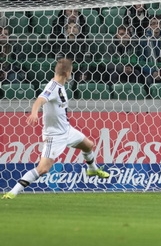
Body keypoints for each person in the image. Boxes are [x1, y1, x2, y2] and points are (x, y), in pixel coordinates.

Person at [2, 58, 109, 200]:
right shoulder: (52, 88)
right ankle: (12, 192)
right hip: (54, 136)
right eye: (71, 71)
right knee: (43, 169)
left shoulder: (61, 85)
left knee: (88, 145)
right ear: (67, 72)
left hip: (67, 130)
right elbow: (40, 100)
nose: (72, 74)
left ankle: (92, 170)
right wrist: (34, 112)